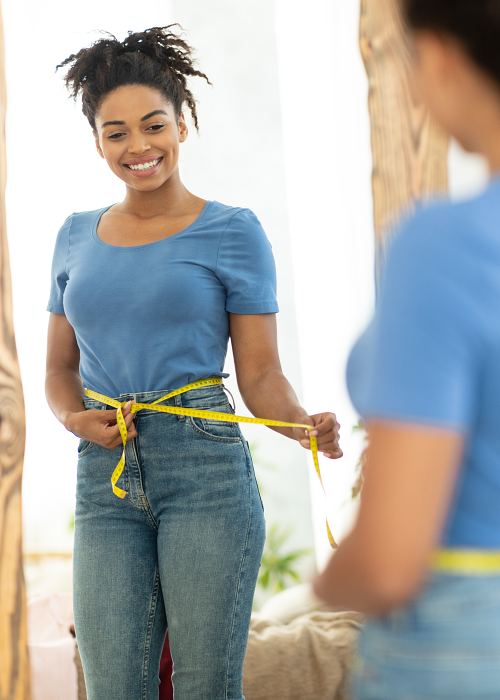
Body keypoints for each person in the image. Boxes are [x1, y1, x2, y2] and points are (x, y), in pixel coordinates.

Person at [45, 25, 342, 700]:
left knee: (205, 686)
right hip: (106, 476)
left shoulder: (232, 230)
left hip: (204, 469)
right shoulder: (72, 236)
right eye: (115, 132)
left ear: (183, 124)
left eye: (154, 125)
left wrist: (297, 422)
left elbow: (259, 374)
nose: (138, 146)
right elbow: (60, 369)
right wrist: (74, 419)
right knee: (115, 687)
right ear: (97, 142)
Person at [313, 1, 500, 698]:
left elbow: (389, 562)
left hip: (458, 653)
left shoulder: (443, 246)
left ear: (444, 56)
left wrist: (327, 581)